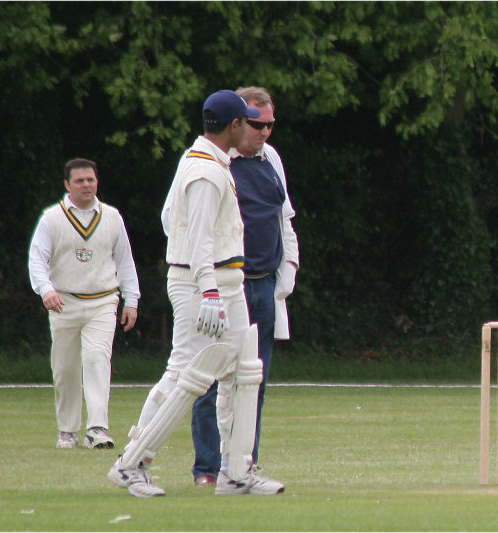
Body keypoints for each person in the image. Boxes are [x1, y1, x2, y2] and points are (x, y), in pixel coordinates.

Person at [108, 89, 284, 497]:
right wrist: (207, 291)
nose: (256, 129)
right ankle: (132, 463)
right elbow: (201, 239)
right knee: (185, 374)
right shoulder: (204, 170)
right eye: (248, 121)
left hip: (227, 281)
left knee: (244, 370)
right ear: (234, 125)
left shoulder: (209, 162)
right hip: (202, 284)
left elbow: (172, 218)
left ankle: (236, 472)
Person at [189, 86, 299, 492]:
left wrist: (285, 274)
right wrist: (207, 283)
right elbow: (180, 224)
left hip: (263, 287)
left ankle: (244, 465)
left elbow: (284, 218)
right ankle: (206, 466)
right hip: (223, 288)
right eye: (257, 124)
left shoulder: (272, 159)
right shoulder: (213, 162)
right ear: (237, 121)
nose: (265, 132)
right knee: (209, 377)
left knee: (255, 379)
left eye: (270, 125)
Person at [28, 158, 140, 450]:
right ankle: (68, 431)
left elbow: (125, 261)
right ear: (67, 184)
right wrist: (47, 291)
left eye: (90, 179)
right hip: (63, 302)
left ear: (97, 182)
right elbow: (37, 259)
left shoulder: (112, 216)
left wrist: (132, 300)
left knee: (96, 358)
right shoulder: (51, 218)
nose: (86, 185)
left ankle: (97, 429)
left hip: (103, 300)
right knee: (65, 368)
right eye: (79, 181)